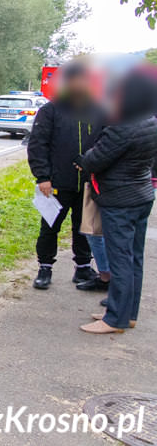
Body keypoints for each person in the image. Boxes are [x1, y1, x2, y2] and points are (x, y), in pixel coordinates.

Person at [76, 68, 157, 334]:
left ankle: (115, 320)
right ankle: (126, 312)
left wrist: (82, 160)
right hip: (141, 194)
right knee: (134, 258)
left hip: (120, 200)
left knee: (120, 259)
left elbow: (95, 160)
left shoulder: (122, 127)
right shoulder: (150, 120)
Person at [27, 62, 101, 289]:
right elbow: (38, 145)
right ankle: (45, 268)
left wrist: (92, 162)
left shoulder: (98, 111)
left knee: (83, 227)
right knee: (50, 227)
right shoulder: (50, 110)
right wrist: (42, 177)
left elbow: (107, 143)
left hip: (89, 182)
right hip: (57, 182)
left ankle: (82, 268)